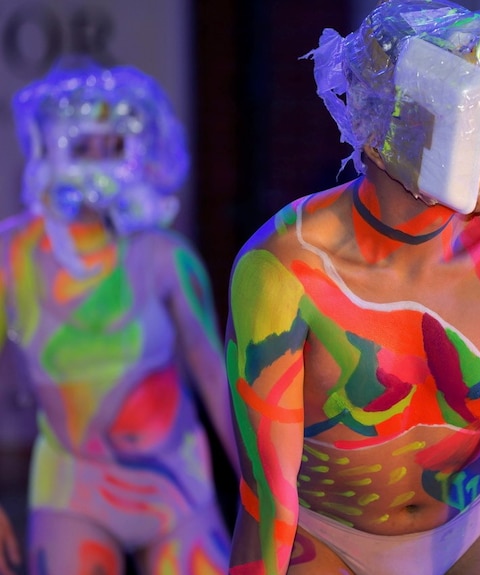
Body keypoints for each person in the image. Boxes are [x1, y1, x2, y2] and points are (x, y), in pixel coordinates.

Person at [225, 0, 480, 574]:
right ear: (404, 116)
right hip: (326, 538)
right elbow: (267, 501)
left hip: (476, 527)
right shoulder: (284, 267)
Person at [0, 57, 239, 575]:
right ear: (47, 148)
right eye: (83, 146)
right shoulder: (12, 256)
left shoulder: (165, 256)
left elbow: (218, 382)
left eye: (114, 147)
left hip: (175, 485)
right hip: (71, 487)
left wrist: (265, 493)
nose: (99, 164)